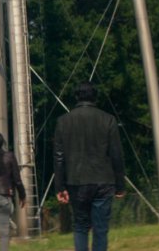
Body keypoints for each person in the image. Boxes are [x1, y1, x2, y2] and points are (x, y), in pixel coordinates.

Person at [54, 82, 125, 251]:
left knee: (80, 226)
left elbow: (58, 157)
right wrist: (120, 184)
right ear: (95, 97)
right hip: (104, 181)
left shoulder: (63, 121)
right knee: (100, 229)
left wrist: (59, 187)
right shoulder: (108, 119)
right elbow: (116, 155)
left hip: (76, 181)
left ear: (76, 97)